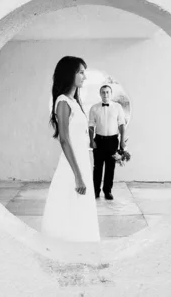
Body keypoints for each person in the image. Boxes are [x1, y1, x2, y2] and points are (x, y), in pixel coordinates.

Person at [41, 56, 100, 242]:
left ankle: (80, 241)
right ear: (69, 74)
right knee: (69, 202)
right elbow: (64, 139)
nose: (84, 76)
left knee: (79, 205)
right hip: (72, 165)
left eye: (84, 72)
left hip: (81, 160)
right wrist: (78, 175)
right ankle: (67, 242)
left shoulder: (74, 102)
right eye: (81, 72)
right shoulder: (63, 102)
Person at [89, 85, 126, 200]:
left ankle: (107, 191)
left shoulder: (117, 107)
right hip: (99, 140)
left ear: (111, 94)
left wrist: (122, 141)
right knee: (97, 167)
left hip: (113, 141)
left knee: (110, 168)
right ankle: (95, 191)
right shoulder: (94, 108)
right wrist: (91, 141)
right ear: (100, 94)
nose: (105, 94)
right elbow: (91, 125)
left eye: (107, 92)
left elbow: (121, 124)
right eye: (103, 92)